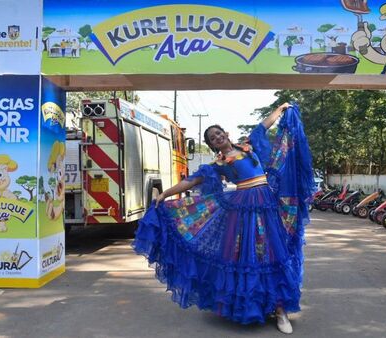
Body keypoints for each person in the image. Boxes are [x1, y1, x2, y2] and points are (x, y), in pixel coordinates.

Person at [134, 103, 315, 334]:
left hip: (267, 205)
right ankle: (249, 305)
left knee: (272, 254)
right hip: (241, 210)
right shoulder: (216, 165)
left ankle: (281, 311)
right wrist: (166, 194)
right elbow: (190, 182)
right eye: (212, 138)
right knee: (245, 256)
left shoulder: (250, 145)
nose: (217, 137)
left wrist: (281, 108)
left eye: (218, 133)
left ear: (226, 134)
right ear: (211, 145)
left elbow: (265, 125)